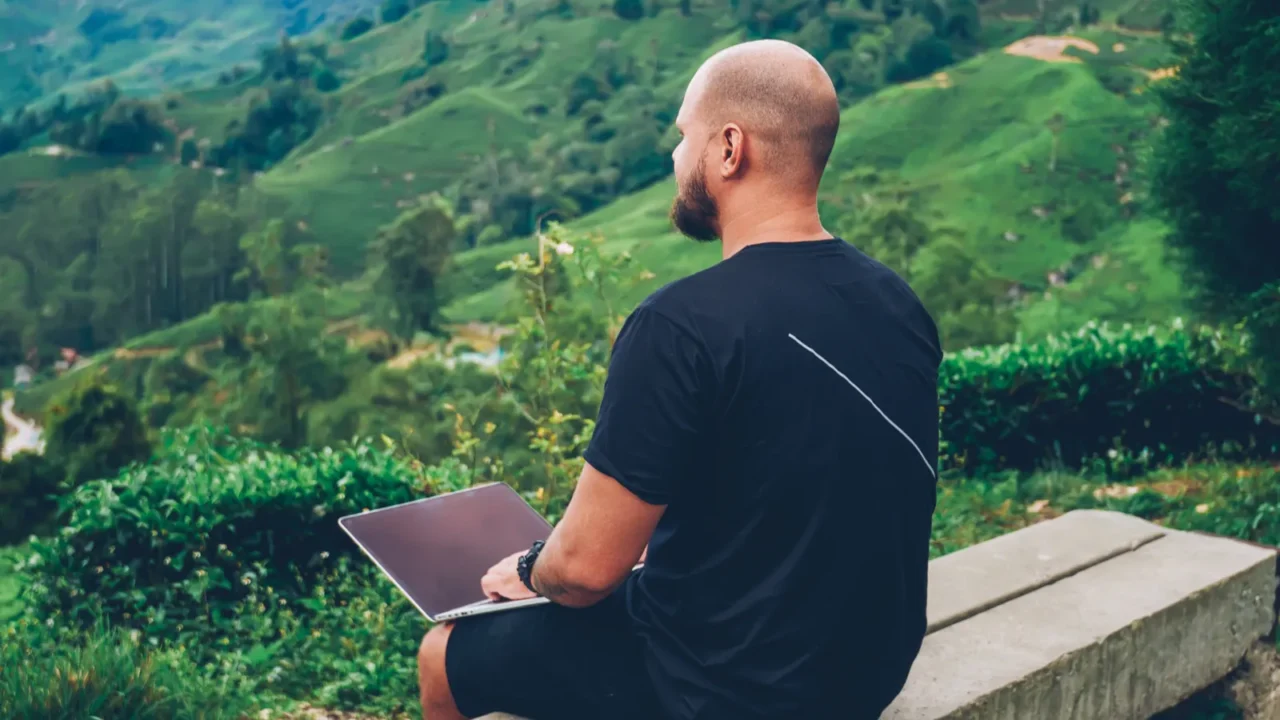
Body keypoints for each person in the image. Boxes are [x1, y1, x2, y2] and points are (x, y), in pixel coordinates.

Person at [417, 38, 942, 720]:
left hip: (726, 690)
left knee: (444, 650)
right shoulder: (897, 301)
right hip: (866, 672)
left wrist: (529, 570)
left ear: (729, 149)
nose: (674, 158)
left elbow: (582, 573)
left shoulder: (682, 324)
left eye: (682, 136)